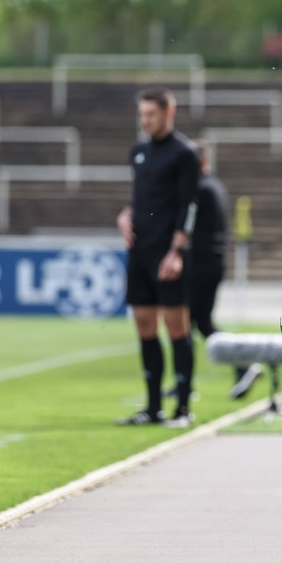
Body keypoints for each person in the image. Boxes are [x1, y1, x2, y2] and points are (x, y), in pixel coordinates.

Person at [116, 88, 200, 428]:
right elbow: (141, 198)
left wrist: (177, 251)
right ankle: (152, 407)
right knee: (145, 327)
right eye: (142, 115)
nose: (145, 121)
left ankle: (181, 408)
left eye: (151, 114)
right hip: (140, 253)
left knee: (176, 328)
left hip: (169, 255)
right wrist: (125, 214)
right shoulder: (138, 152)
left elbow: (188, 206)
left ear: (169, 113)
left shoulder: (185, 154)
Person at [185, 141, 261, 400]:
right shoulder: (212, 186)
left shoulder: (199, 189)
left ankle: (241, 364)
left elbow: (191, 232)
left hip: (201, 263)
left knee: (195, 323)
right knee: (198, 322)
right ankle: (238, 366)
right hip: (211, 261)